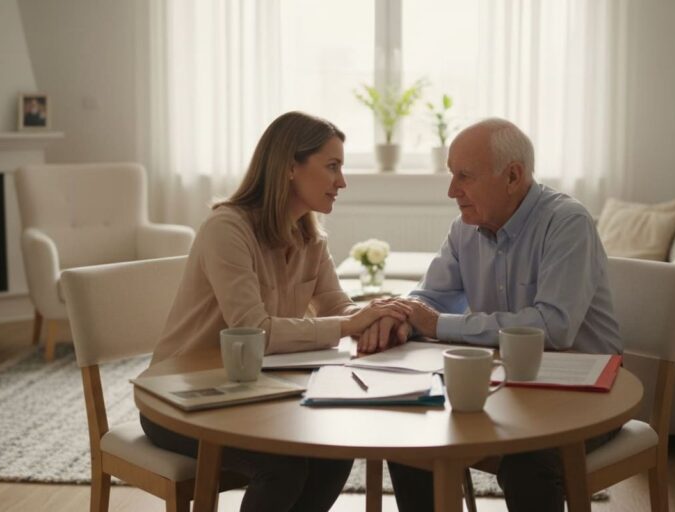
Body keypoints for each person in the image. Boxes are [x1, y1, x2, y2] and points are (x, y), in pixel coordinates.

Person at [141, 111, 411, 512]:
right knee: (284, 466)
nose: (342, 181)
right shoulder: (227, 229)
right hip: (183, 401)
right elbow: (254, 331)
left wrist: (382, 315)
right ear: (289, 167)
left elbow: (339, 306)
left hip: (256, 395)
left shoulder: (309, 235)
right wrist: (349, 323)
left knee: (334, 450)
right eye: (332, 166)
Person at [357, 117, 622, 512]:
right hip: (507, 391)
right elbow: (431, 297)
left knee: (527, 461)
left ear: (513, 176)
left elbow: (554, 327)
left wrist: (436, 323)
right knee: (410, 442)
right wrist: (398, 314)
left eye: (464, 176)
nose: (451, 190)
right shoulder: (465, 228)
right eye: (451, 175)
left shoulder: (568, 223)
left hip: (583, 399)